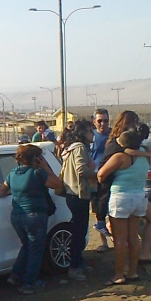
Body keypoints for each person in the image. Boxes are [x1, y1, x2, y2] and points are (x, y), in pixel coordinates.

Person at [0, 144, 62, 295]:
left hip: (16, 215)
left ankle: (16, 275)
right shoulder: (37, 173)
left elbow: (2, 191)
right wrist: (46, 168)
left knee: (27, 246)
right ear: (36, 158)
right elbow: (58, 184)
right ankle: (30, 282)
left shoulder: (13, 173)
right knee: (36, 249)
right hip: (34, 215)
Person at [100, 112, 151, 264]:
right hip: (117, 191)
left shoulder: (130, 144)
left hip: (129, 192)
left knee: (136, 229)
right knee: (125, 235)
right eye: (134, 122)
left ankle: (138, 257)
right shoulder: (118, 145)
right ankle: (129, 264)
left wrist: (143, 152)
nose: (137, 126)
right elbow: (104, 171)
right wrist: (144, 153)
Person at [98, 129, 150, 285]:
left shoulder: (120, 157)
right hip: (139, 197)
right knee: (133, 236)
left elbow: (101, 175)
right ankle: (132, 272)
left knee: (120, 239)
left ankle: (119, 274)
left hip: (121, 197)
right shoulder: (145, 156)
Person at [60, 119, 96, 281]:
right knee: (78, 233)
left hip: (72, 194)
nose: (92, 134)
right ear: (82, 133)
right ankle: (74, 267)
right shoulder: (80, 148)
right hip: (78, 194)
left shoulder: (72, 148)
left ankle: (79, 263)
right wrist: (98, 174)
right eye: (89, 130)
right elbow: (81, 169)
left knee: (79, 231)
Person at [90, 109, 112, 252]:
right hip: (94, 178)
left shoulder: (114, 135)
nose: (103, 124)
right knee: (99, 211)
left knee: (112, 209)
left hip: (111, 176)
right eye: (99, 121)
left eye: (105, 120)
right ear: (94, 121)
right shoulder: (91, 136)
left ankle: (116, 238)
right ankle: (104, 243)